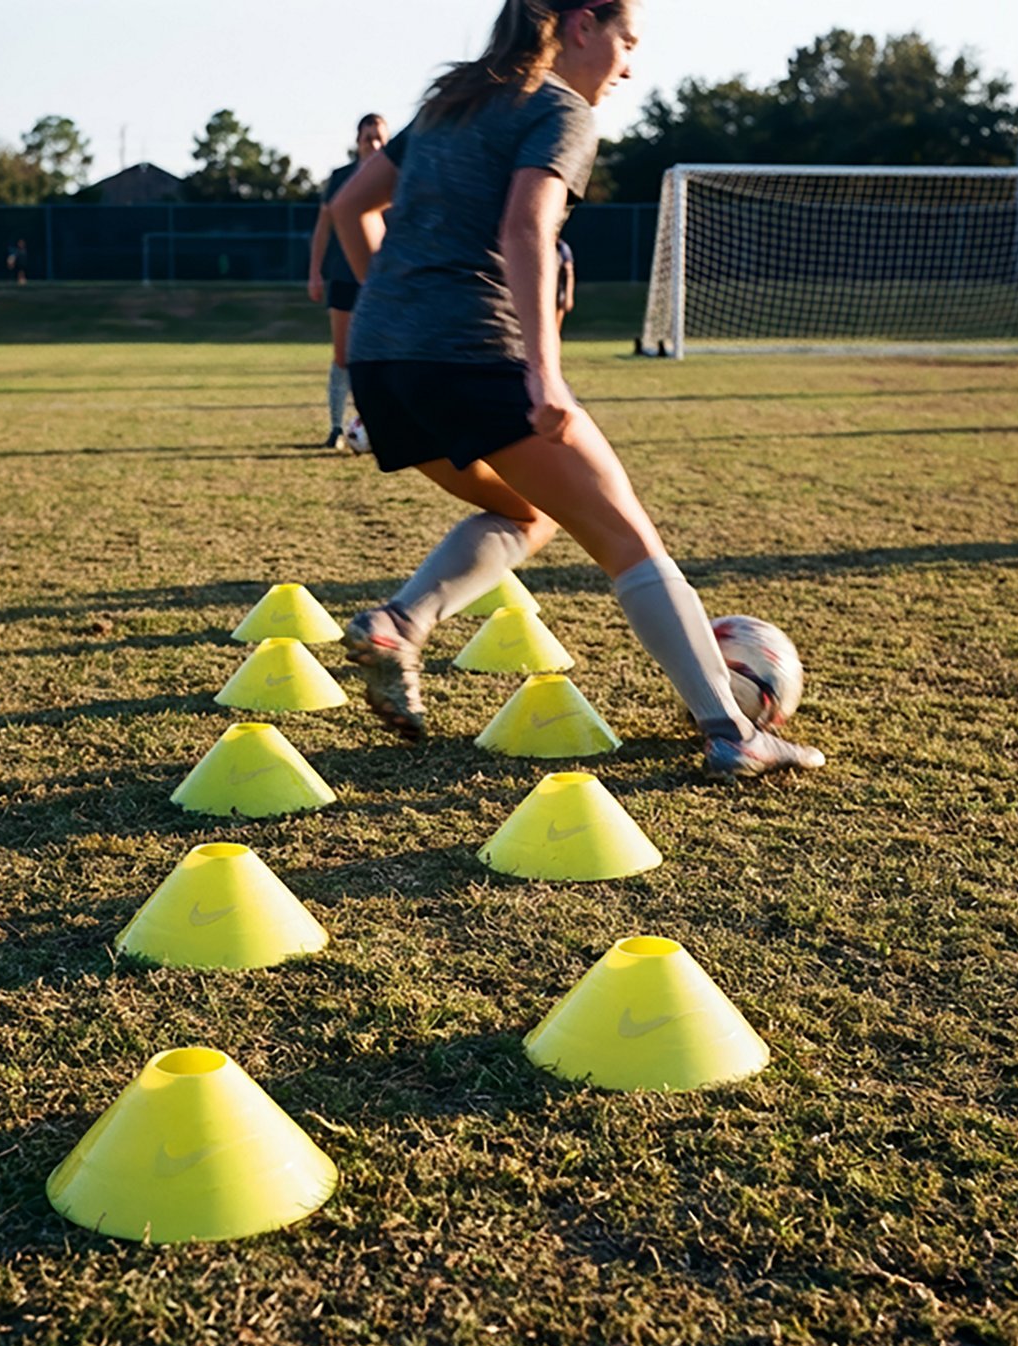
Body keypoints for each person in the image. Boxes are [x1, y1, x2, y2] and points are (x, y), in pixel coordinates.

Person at [331, 0, 824, 778]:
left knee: (522, 513)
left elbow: (349, 208)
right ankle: (734, 733)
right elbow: (526, 228)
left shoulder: (453, 100)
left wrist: (399, 316)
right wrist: (544, 368)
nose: (629, 66)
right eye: (627, 42)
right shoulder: (559, 107)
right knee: (629, 541)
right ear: (583, 24)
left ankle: (401, 623)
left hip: (386, 364)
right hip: (477, 356)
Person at [308, 113, 389, 450]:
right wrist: (315, 271)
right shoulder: (341, 178)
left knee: (379, 355)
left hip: (382, 280)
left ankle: (379, 424)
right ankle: (336, 427)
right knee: (343, 356)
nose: (373, 143)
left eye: (379, 137)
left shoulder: (395, 176)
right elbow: (323, 227)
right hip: (343, 277)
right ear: (357, 140)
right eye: (367, 137)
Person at [556, 237, 575, 333]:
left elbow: (569, 272)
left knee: (554, 329)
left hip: (557, 293)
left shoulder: (561, 248)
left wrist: (569, 295)